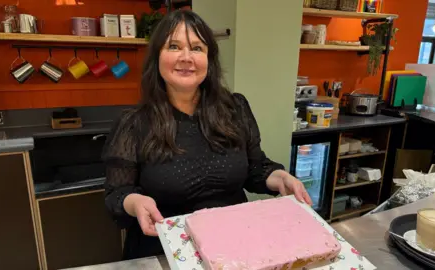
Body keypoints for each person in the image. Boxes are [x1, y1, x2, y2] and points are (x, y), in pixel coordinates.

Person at [102, 9, 312, 260]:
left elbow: (256, 169)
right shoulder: (133, 123)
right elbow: (116, 194)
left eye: (197, 48)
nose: (186, 57)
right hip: (165, 251)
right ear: (157, 58)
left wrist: (280, 178)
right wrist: (135, 202)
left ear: (209, 59)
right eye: (174, 46)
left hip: (235, 247)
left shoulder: (235, 108)